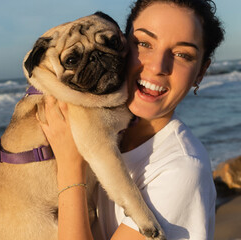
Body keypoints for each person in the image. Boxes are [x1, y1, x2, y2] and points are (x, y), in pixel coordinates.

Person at [38, 0, 225, 239]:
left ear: (200, 72)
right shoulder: (109, 135)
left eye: (181, 54)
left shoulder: (180, 169)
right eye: (144, 43)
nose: (158, 66)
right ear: (121, 43)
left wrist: (70, 167)